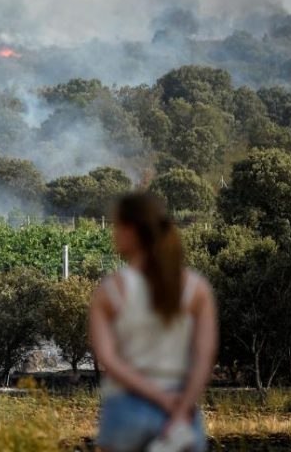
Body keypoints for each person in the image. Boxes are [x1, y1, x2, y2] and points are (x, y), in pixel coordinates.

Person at [89, 193, 218, 452]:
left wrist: (157, 397)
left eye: (116, 226)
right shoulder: (197, 289)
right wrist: (180, 410)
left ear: (131, 230)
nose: (113, 233)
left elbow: (108, 359)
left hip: (125, 409)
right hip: (180, 409)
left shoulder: (110, 291)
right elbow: (204, 358)